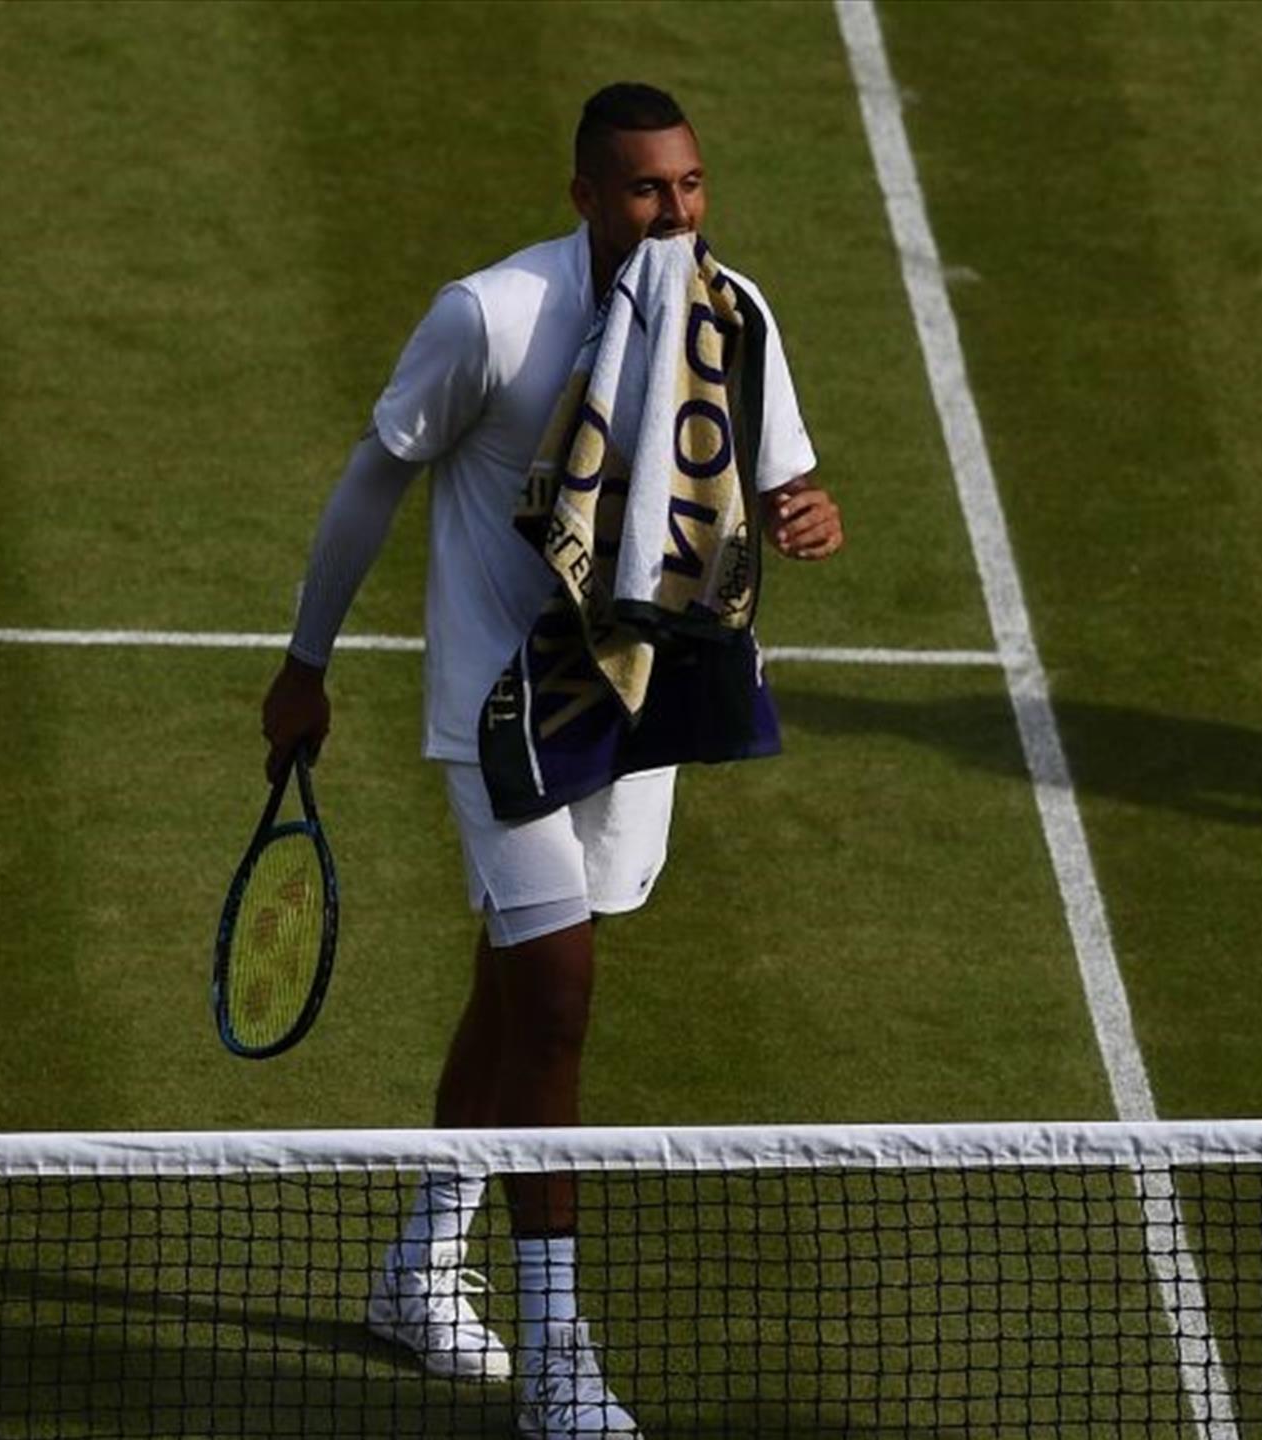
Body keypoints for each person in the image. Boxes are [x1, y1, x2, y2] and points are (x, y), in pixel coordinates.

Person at [258, 82, 842, 1439]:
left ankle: (416, 1270)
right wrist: (306, 662)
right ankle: (561, 1356)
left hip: (639, 697)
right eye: (648, 190)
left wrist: (806, 514)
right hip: (499, 703)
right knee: (561, 999)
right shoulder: (493, 317)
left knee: (522, 992)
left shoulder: (732, 311)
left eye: (692, 186)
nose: (677, 212)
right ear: (586, 195)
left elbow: (764, 478)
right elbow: (374, 477)